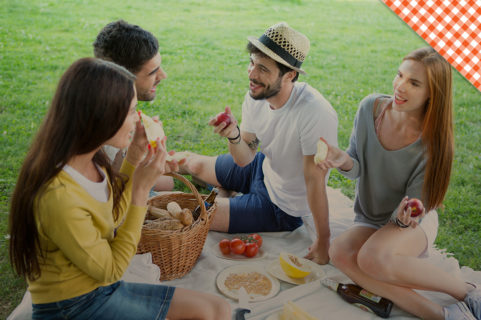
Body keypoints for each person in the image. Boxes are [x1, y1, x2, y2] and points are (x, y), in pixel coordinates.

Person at [8, 58, 231, 320]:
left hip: (99, 289)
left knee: (219, 309)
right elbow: (111, 269)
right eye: (130, 111)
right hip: (71, 308)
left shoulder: (91, 161)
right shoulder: (58, 196)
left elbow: (112, 218)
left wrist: (133, 158)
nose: (138, 120)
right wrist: (140, 191)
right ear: (102, 116)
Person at [317, 47, 481, 320]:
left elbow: (415, 209)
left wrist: (403, 221)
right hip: (370, 217)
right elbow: (355, 167)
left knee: (371, 258)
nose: (399, 87)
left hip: (411, 223)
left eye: (413, 83)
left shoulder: (433, 144)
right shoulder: (370, 108)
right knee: (340, 252)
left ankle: (466, 292)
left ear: (432, 94)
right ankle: (442, 315)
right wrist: (341, 159)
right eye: (399, 75)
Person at [180, 22, 338, 264]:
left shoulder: (315, 113)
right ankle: (144, 164)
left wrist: (324, 240)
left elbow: (314, 180)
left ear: (290, 75)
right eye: (252, 62)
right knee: (193, 165)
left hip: (282, 207)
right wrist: (233, 134)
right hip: (262, 168)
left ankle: (146, 198)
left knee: (197, 212)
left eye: (263, 68)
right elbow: (244, 159)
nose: (252, 74)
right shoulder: (256, 95)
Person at [93, 19, 174, 193]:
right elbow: (114, 195)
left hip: (118, 182)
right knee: (175, 194)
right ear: (122, 76)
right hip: (112, 195)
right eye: (153, 72)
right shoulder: (109, 123)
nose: (163, 75)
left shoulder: (108, 97)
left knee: (168, 182)